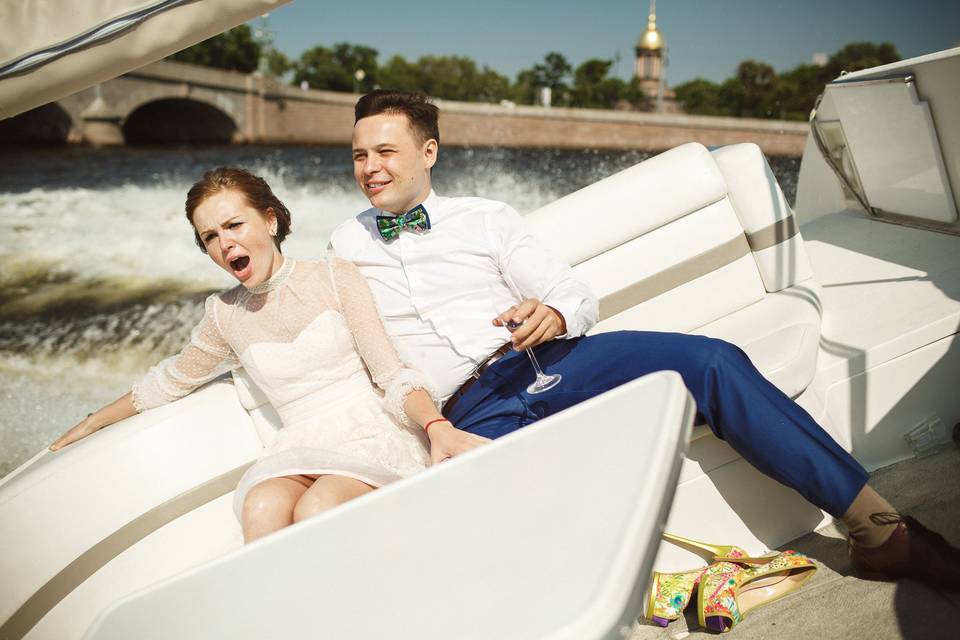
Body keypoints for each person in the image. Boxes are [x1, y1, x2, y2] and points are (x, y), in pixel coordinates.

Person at [330, 89, 960, 591]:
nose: (370, 168)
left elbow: (572, 292)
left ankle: (880, 530)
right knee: (468, 502)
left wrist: (551, 311)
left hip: (550, 359)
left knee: (710, 361)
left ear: (429, 151)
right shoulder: (344, 247)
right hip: (468, 408)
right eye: (360, 156)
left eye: (385, 152)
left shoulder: (486, 218)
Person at [50, 167, 488, 543]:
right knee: (260, 507)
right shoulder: (223, 315)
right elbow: (169, 381)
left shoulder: (335, 276)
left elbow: (390, 371)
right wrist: (94, 420)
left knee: (317, 508)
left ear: (270, 220)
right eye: (210, 236)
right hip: (300, 444)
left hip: (371, 432)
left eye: (234, 225)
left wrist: (435, 425)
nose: (225, 243)